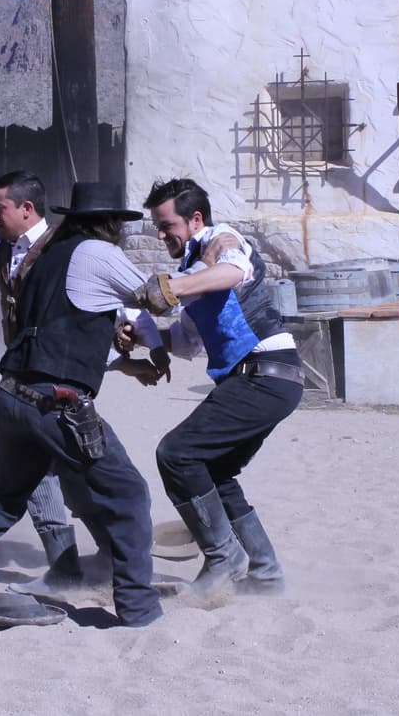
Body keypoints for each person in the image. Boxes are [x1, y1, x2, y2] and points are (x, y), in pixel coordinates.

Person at [0, 182, 165, 627]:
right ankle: (139, 608)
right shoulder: (99, 253)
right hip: (58, 403)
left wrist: (123, 354)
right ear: (109, 224)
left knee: (4, 501)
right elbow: (151, 298)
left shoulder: (43, 261)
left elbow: (63, 333)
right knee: (128, 494)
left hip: (13, 396)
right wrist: (160, 341)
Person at [0, 170, 170, 596]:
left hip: (57, 379)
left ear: (27, 209)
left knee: (75, 473)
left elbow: (122, 313)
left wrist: (144, 351)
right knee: (57, 472)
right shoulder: (3, 251)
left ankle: (95, 562)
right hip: (31, 373)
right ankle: (81, 563)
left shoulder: (64, 250)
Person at [134, 178, 304, 596]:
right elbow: (188, 342)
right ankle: (265, 574)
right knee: (215, 470)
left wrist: (174, 288)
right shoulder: (194, 267)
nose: (160, 235)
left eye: (166, 225)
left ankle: (224, 559)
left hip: (265, 372)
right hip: (265, 378)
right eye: (156, 226)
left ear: (195, 219)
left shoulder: (221, 242)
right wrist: (141, 336)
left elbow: (234, 270)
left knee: (176, 454)